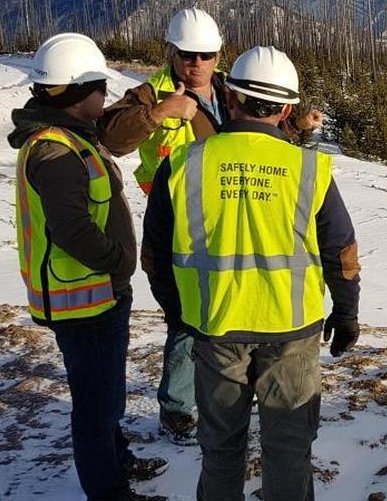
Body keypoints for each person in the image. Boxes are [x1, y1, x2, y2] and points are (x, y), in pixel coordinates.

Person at [142, 46, 360, 501]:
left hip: (216, 329)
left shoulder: (183, 165)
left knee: (221, 449)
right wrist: (346, 314)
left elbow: (156, 255)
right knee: (289, 449)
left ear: (232, 98)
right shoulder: (308, 168)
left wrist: (178, 313)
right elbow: (340, 252)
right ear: (286, 110)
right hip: (291, 331)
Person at [99, 8, 321, 443]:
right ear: (171, 52)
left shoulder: (229, 90)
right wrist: (160, 113)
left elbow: (255, 139)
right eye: (187, 54)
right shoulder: (150, 95)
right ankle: (180, 409)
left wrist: (294, 126)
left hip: (229, 210)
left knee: (224, 310)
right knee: (186, 318)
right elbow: (109, 137)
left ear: (219, 55)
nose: (196, 63)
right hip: (180, 217)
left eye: (205, 54)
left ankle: (232, 396)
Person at [9, 33, 166, 501]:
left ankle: (118, 461)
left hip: (97, 295)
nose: (106, 93)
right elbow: (72, 230)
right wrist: (120, 262)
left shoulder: (72, 137)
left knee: (107, 394)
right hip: (83, 301)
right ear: (79, 94)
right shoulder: (56, 153)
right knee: (96, 407)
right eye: (100, 86)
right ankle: (108, 489)